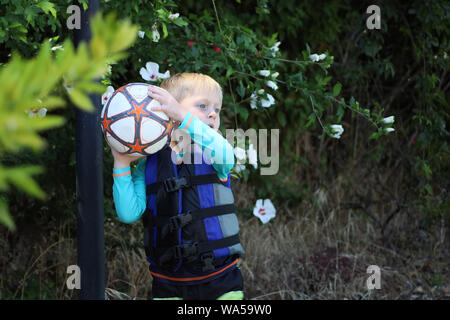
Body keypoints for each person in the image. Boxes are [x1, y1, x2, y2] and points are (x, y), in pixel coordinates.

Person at [110, 73, 245, 300]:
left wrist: (183, 115)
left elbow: (226, 155)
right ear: (167, 112)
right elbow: (127, 213)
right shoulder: (149, 163)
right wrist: (121, 163)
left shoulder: (214, 154)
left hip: (220, 280)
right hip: (168, 284)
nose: (213, 113)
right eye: (203, 106)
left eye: (217, 109)